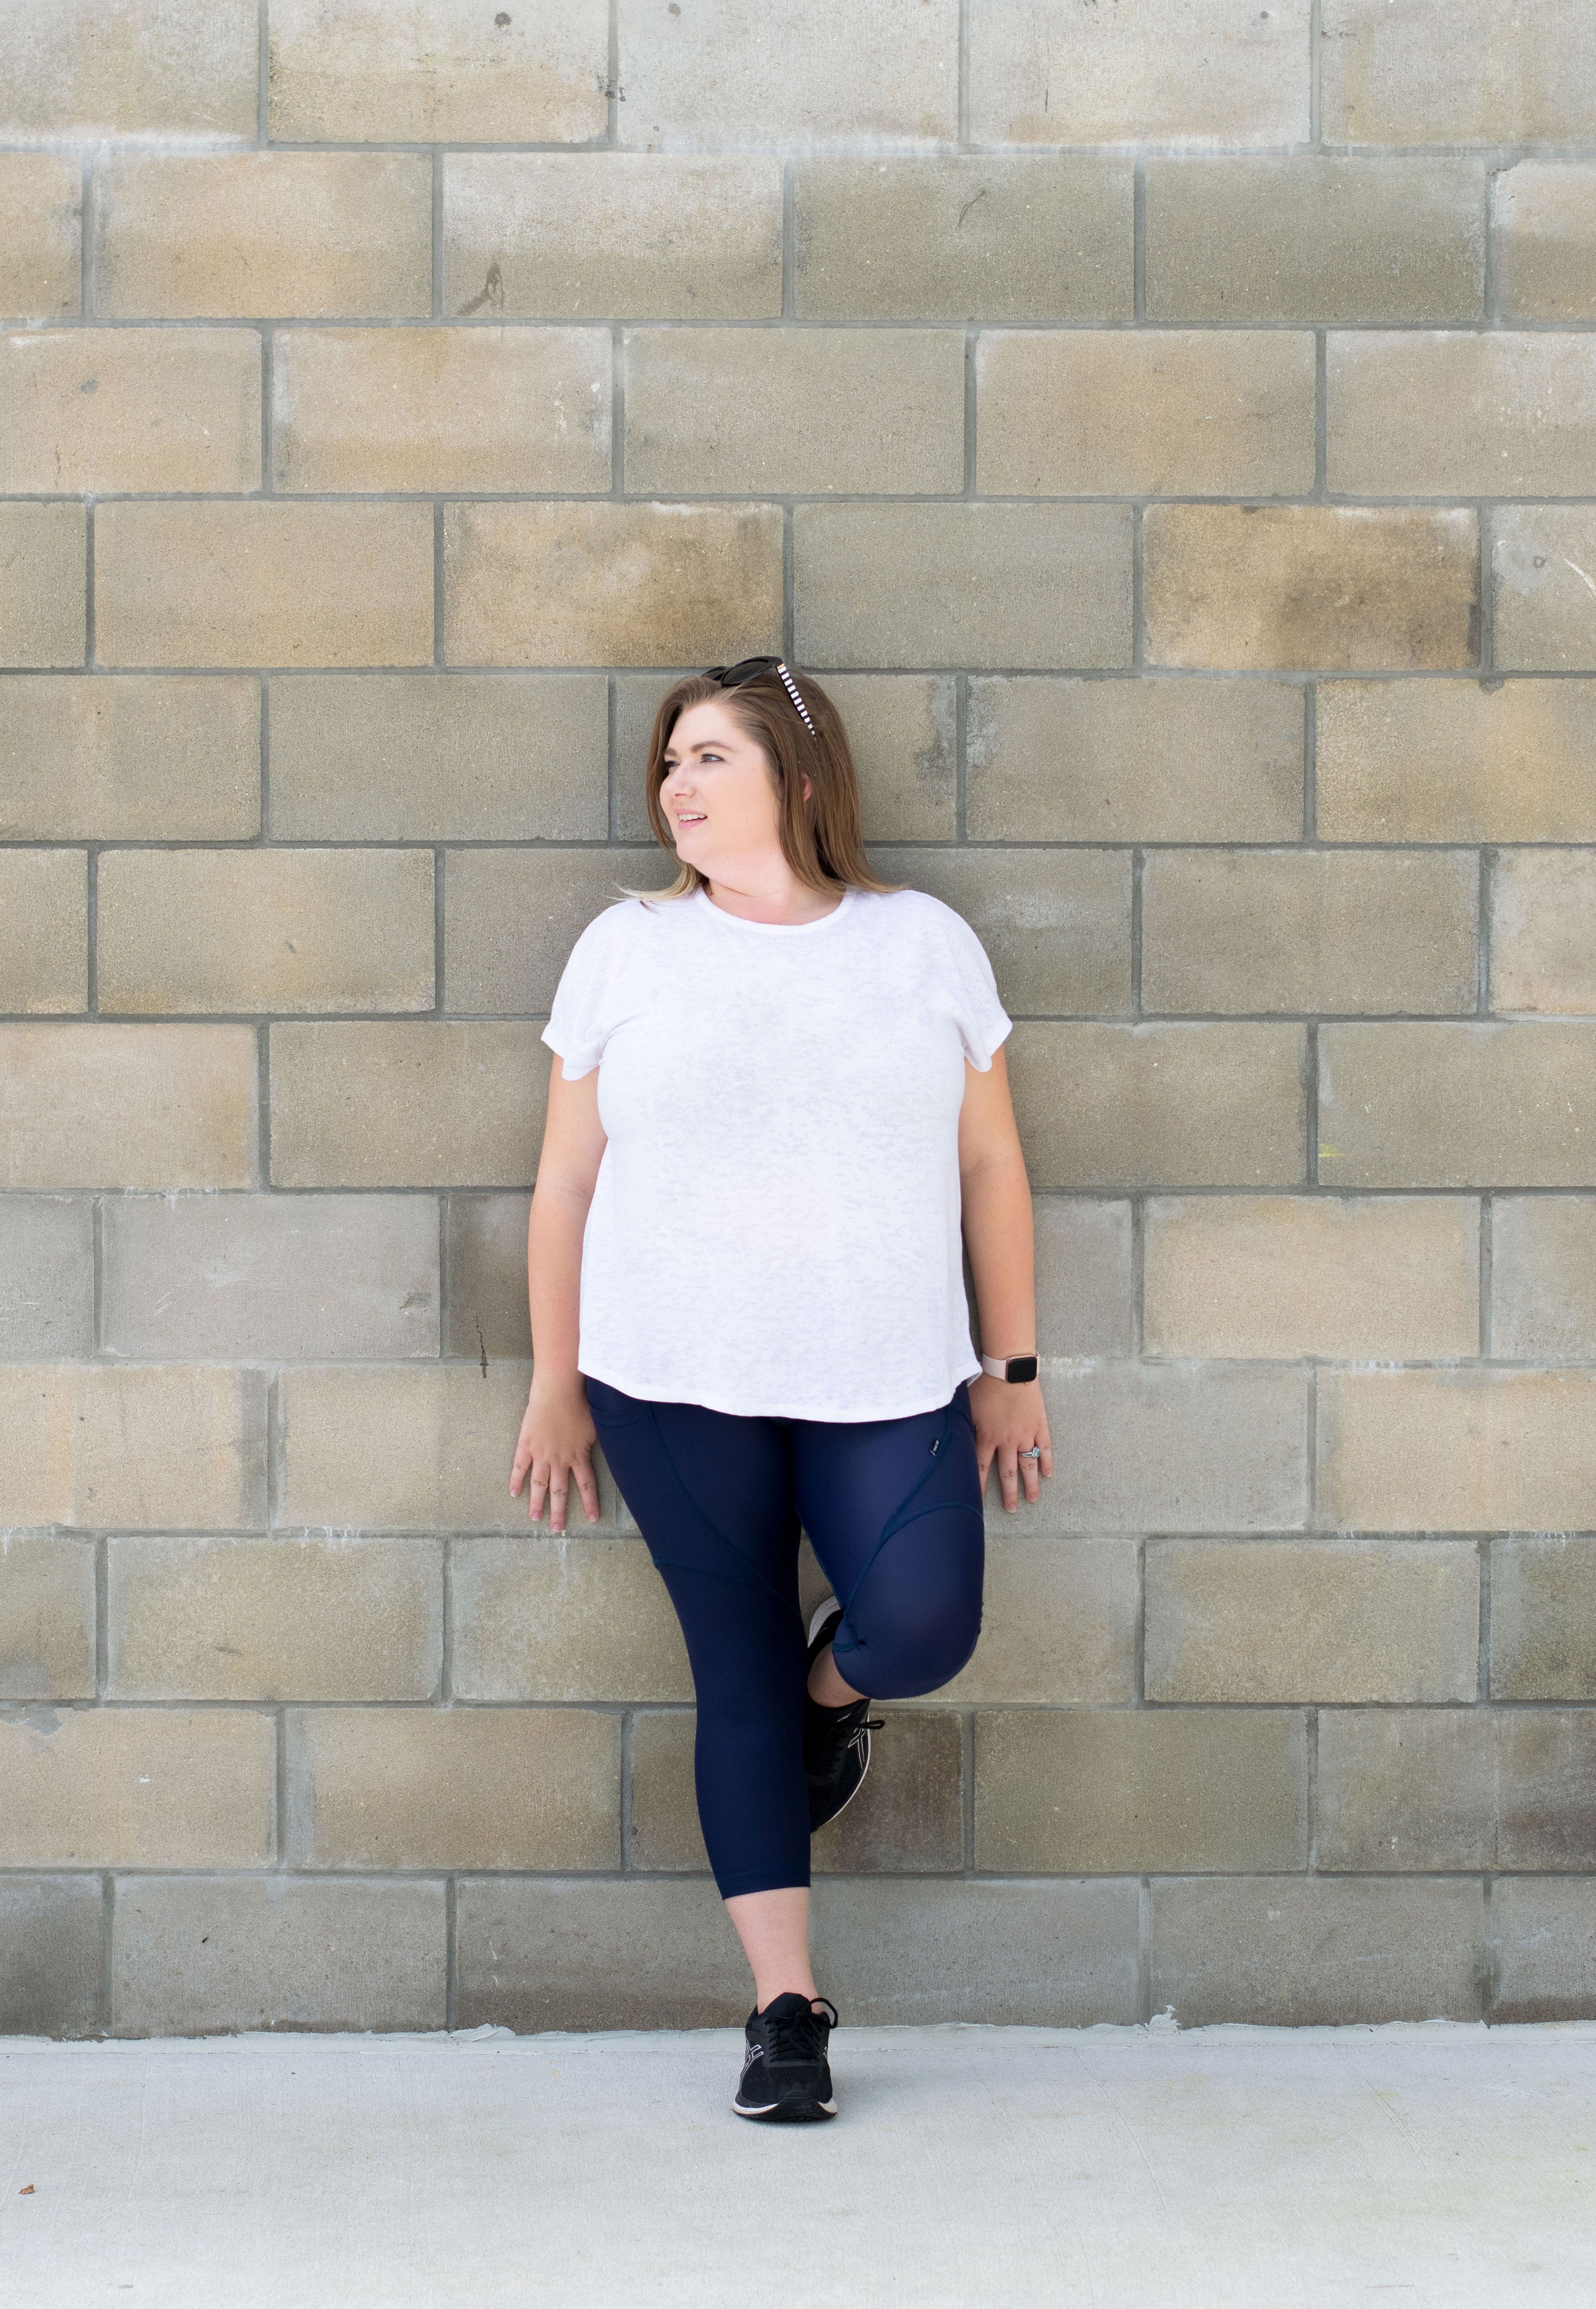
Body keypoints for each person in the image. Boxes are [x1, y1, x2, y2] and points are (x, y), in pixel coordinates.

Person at [509, 657, 1053, 2123]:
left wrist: (1012, 1366)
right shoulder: (626, 949)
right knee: (729, 1672)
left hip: (887, 1371)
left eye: (710, 759)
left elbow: (991, 1164)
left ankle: (840, 1692)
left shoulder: (918, 943)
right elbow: (565, 1183)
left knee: (924, 1622)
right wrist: (556, 1381)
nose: (677, 787)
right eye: (669, 764)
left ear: (800, 777)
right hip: (670, 1378)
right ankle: (785, 2008)